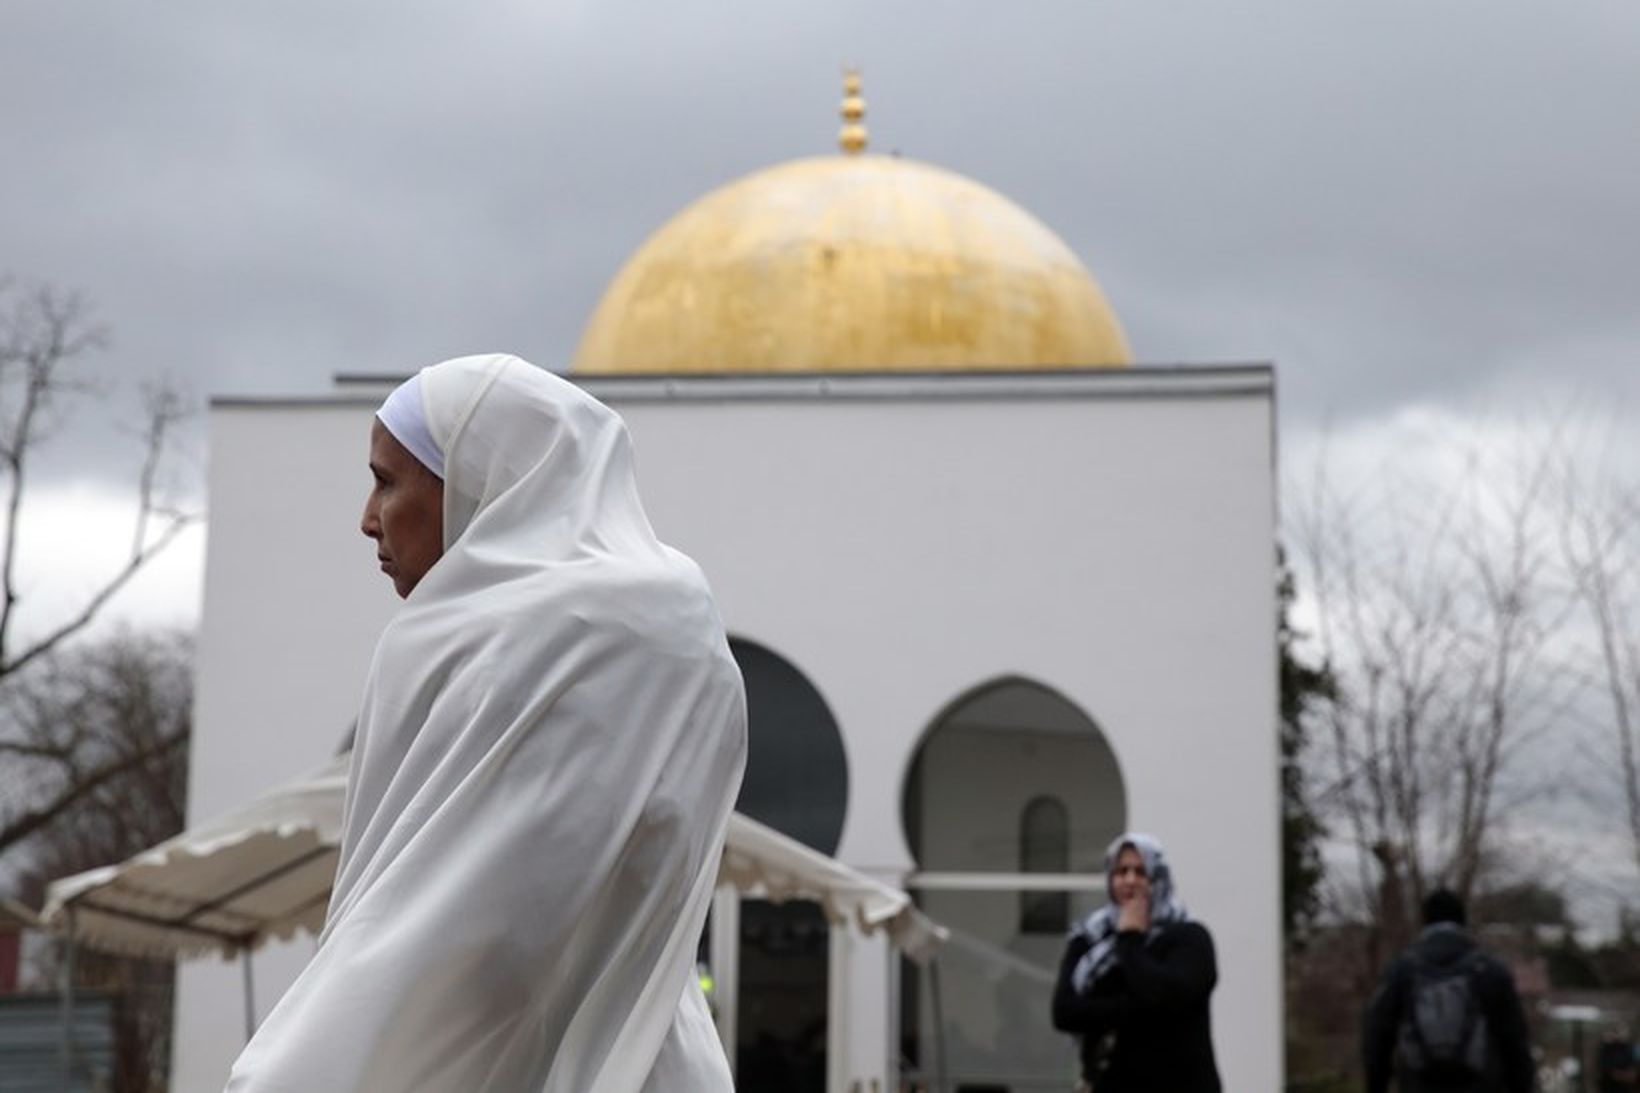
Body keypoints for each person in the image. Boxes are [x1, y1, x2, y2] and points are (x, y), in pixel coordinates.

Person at [227, 354, 747, 1091]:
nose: (367, 518)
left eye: (386, 479)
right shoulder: (683, 627)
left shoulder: (462, 637)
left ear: (479, 480)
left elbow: (451, 925)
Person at [1050, 832, 1222, 1092]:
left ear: (1159, 877)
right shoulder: (1089, 937)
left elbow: (1167, 994)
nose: (1130, 880)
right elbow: (1065, 1011)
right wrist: (1136, 1008)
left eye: (1141, 872)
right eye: (1121, 871)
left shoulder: (1190, 937)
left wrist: (1130, 938)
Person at [1363, 888, 1535, 1093]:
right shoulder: (1490, 970)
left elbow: (1378, 1037)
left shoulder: (1402, 971)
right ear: (1462, 921)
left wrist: (1377, 1085)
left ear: (1424, 921)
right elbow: (1515, 1043)